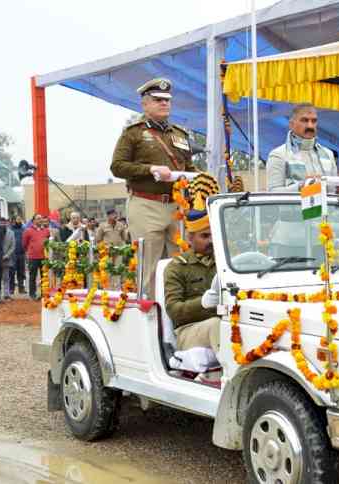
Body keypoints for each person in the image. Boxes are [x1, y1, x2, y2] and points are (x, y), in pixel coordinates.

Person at [111, 78, 199, 298]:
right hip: (146, 203)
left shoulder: (179, 134)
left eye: (167, 101)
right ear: (145, 104)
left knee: (180, 261)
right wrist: (149, 169)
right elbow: (117, 167)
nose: (164, 104)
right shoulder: (133, 133)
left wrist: (197, 178)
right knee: (148, 264)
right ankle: (148, 314)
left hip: (176, 206)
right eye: (158, 100)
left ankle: (178, 307)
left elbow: (187, 166)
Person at [164, 181, 221, 355]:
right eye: (204, 236)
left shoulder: (223, 263)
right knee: (217, 325)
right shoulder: (177, 267)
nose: (211, 240)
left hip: (221, 323)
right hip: (188, 331)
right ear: (190, 238)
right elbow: (173, 310)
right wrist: (202, 304)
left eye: (213, 235)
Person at [266, 104, 337, 191]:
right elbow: (273, 193)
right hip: (294, 205)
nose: (310, 126)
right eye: (304, 120)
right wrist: (301, 186)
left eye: (314, 121)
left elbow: (333, 192)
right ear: (291, 124)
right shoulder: (278, 155)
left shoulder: (328, 154)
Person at [23, 213, 50, 301]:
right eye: (38, 218)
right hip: (33, 257)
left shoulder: (46, 230)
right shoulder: (28, 231)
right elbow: (24, 244)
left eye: (41, 218)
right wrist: (29, 252)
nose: (40, 220)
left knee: (44, 276)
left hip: (44, 257)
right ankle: (32, 294)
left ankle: (43, 293)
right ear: (33, 220)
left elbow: (49, 242)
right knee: (32, 276)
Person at [0, 217, 15, 301]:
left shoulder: (11, 233)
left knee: (6, 277)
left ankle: (6, 294)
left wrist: (7, 255)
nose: (3, 224)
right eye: (1, 223)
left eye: (4, 223)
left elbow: (13, 246)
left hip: (7, 258)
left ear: (7, 223)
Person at [10, 216, 26, 294]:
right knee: (12, 272)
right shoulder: (11, 229)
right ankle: (11, 289)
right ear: (14, 220)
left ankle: (21, 288)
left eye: (20, 219)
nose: (19, 220)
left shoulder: (23, 229)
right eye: (18, 219)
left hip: (22, 253)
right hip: (13, 254)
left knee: (21, 272)